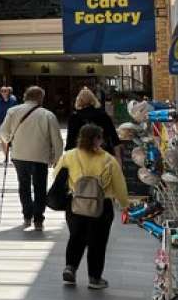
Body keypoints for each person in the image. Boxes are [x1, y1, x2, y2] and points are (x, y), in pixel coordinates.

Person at [53, 123, 129, 289]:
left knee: (76, 237)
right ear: (98, 139)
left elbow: (56, 175)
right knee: (98, 242)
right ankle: (94, 278)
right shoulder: (108, 160)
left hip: (75, 204)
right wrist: (125, 204)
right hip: (101, 206)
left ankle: (70, 268)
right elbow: (119, 185)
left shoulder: (69, 156)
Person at [0, 85, 63, 232]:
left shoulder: (12, 111)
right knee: (40, 187)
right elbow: (57, 139)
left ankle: (27, 215)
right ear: (40, 98)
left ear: (26, 96)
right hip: (40, 157)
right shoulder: (47, 115)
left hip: (19, 156)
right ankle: (38, 219)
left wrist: (9, 140)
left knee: (24, 186)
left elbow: (3, 132)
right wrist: (57, 158)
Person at [65, 87, 120, 154]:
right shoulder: (103, 115)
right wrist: (118, 155)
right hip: (102, 152)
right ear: (93, 99)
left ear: (78, 101)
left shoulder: (74, 117)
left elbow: (70, 141)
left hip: (80, 154)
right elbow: (114, 138)